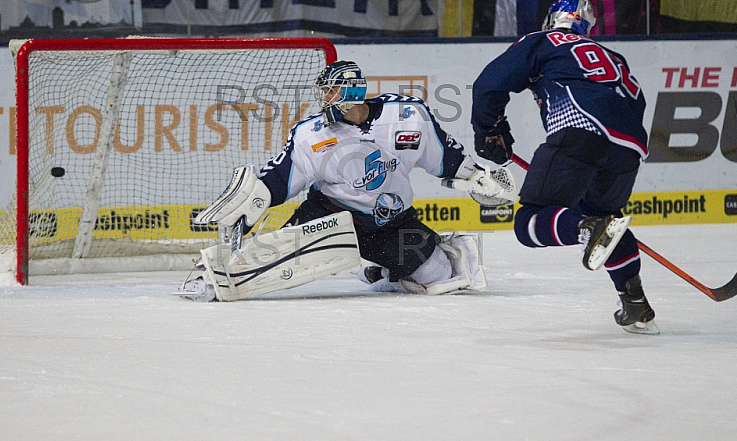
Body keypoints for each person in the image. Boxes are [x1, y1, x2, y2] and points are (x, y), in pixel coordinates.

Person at [181, 60, 517, 300]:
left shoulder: (408, 115)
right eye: (323, 92)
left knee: (442, 277)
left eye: (330, 92)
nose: (324, 99)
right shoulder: (311, 134)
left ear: (351, 91)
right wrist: (251, 199)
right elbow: (279, 181)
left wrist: (475, 176)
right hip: (332, 216)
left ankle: (381, 271)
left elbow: (444, 155)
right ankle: (211, 274)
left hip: (392, 224)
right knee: (278, 259)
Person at [470, 0, 657, 334]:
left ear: (551, 19)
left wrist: (489, 130)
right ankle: (635, 303)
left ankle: (585, 230)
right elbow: (635, 104)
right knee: (606, 220)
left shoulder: (542, 41)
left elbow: (491, 83)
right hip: (630, 149)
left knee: (529, 222)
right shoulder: (613, 57)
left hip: (581, 132)